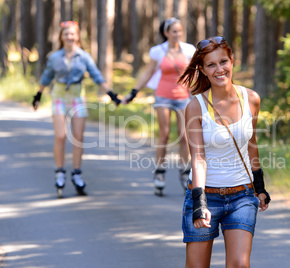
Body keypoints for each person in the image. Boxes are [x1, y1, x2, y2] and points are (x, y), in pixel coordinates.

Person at [178, 36, 271, 267]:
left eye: (223, 62)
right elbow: (198, 157)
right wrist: (199, 203)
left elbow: (251, 143)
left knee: (240, 264)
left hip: (242, 195)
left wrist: (259, 186)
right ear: (203, 69)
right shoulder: (195, 106)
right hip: (205, 195)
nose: (219, 69)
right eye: (211, 65)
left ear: (232, 61)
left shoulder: (250, 98)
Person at [32, 21, 121, 197]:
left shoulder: (84, 56)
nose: (69, 37)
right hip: (58, 96)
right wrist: (38, 95)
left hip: (77, 98)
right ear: (61, 37)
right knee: (61, 135)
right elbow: (46, 77)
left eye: (72, 34)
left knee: (78, 137)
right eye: (66, 34)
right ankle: (59, 172)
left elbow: (97, 76)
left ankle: (77, 174)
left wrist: (111, 94)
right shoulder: (55, 57)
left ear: (77, 36)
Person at [123, 17, 196, 196]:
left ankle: (184, 170)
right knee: (163, 135)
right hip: (163, 95)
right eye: (174, 31)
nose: (177, 34)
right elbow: (149, 72)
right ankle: (160, 172)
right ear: (166, 33)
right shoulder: (158, 51)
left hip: (183, 96)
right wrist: (133, 92)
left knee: (184, 137)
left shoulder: (189, 50)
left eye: (180, 31)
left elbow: (195, 74)